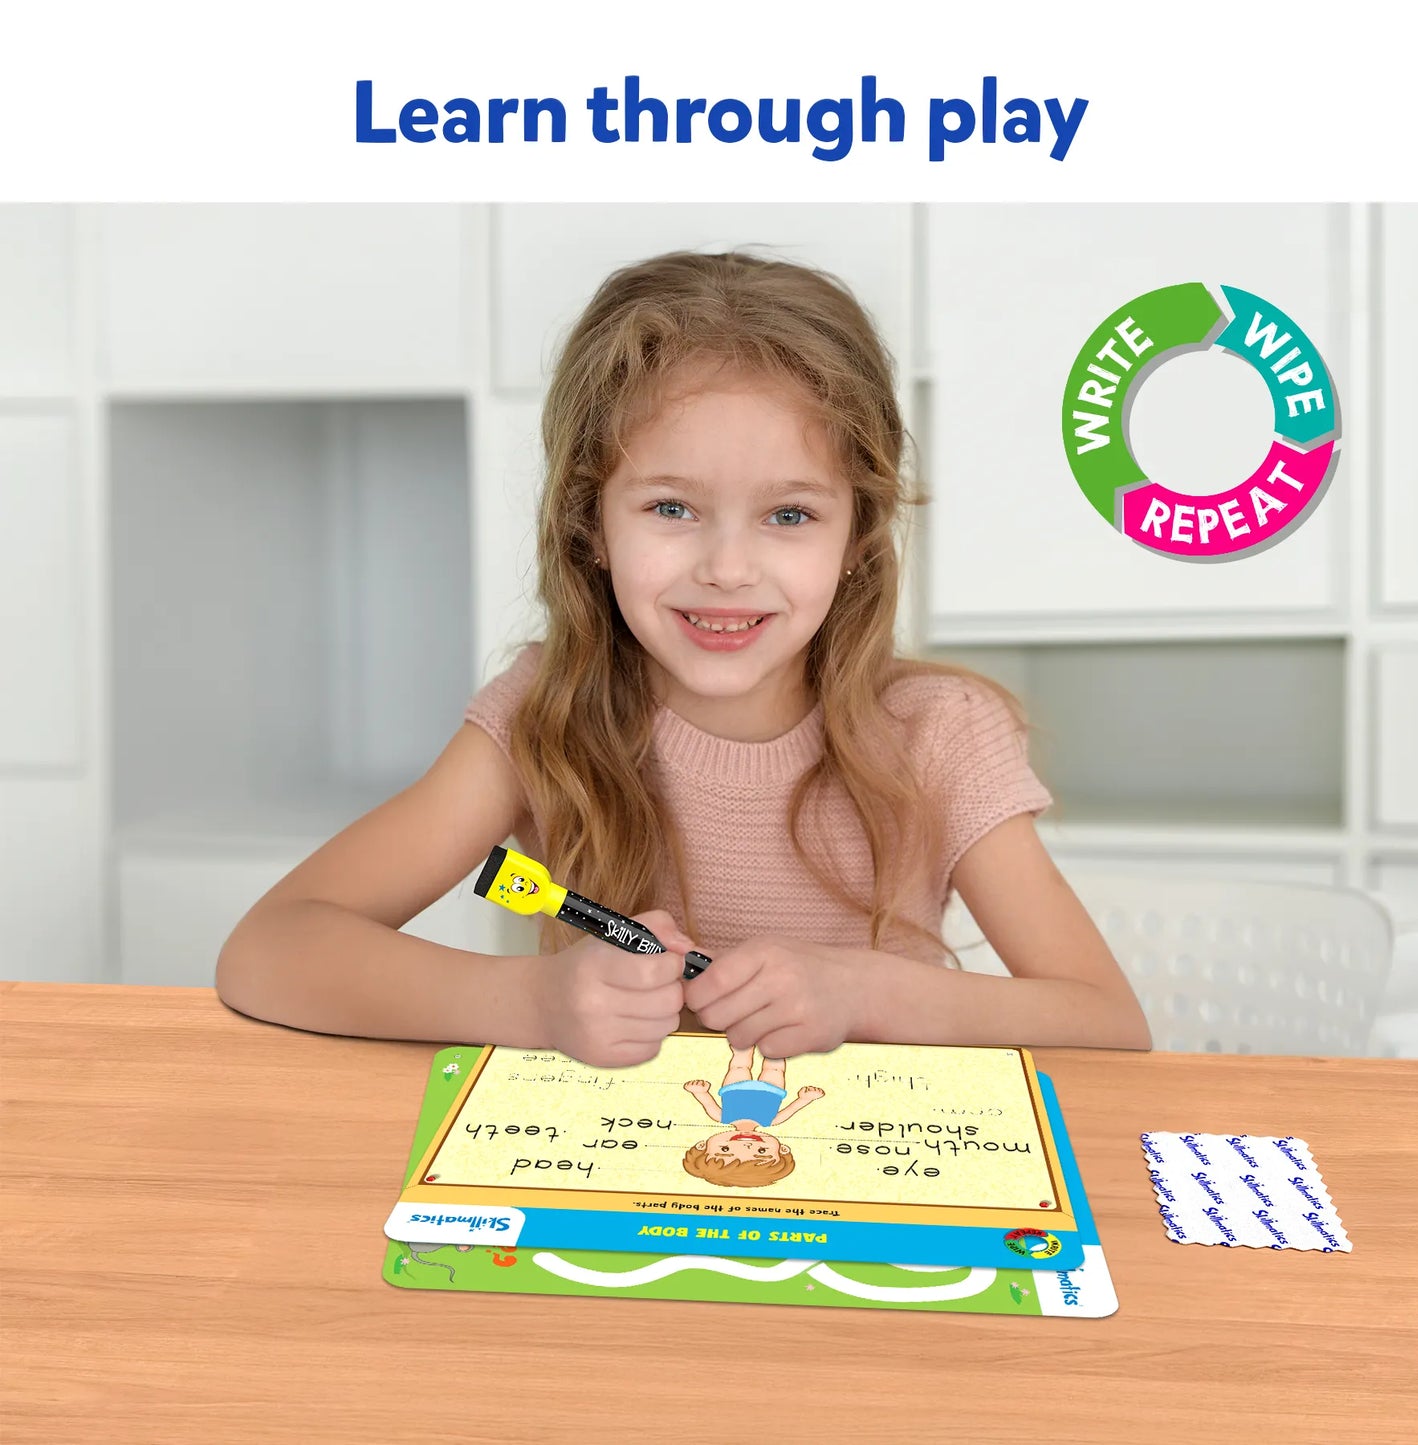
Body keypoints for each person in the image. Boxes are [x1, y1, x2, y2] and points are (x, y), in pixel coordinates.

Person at [216, 250, 1151, 1065]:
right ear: (589, 521)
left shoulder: (938, 733)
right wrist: (534, 1004)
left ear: (858, 534)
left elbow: (1106, 1021)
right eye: (672, 508)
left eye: (790, 515)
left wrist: (867, 993)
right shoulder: (543, 713)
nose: (728, 569)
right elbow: (270, 948)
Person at [680, 1045, 826, 1188]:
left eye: (725, 1149)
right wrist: (806, 1098)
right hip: (772, 1090)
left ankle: (742, 1050)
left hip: (734, 1089)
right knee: (774, 1068)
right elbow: (793, 1108)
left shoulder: (721, 1116)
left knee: (739, 1067)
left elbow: (707, 1102)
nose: (746, 1145)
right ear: (783, 1150)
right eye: (761, 1151)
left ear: (702, 1146)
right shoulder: (771, 1121)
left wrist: (699, 1091)